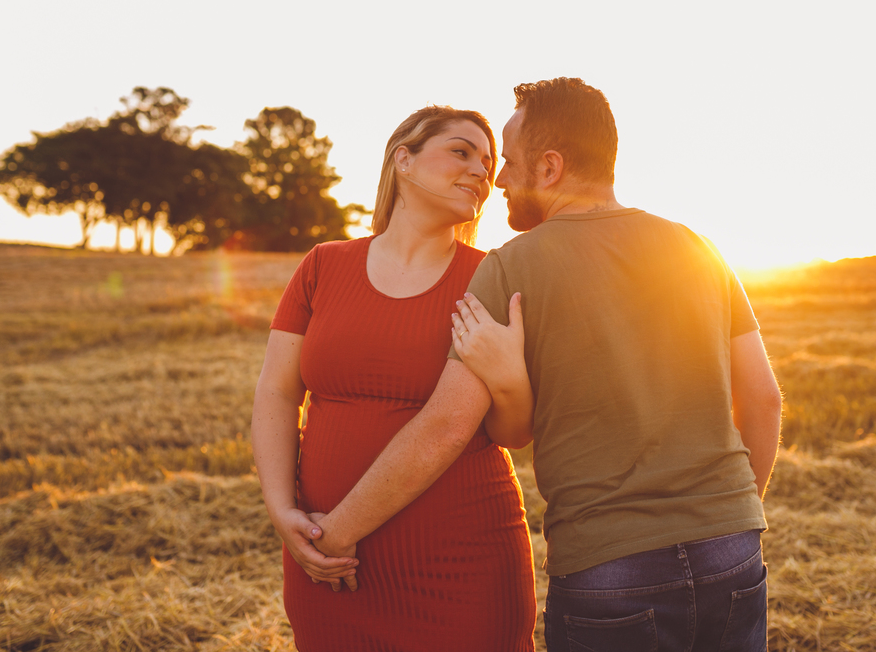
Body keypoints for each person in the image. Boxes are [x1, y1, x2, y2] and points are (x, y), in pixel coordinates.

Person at [310, 78, 784, 652]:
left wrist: (333, 532)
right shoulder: (697, 247)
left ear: (551, 167)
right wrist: (731, 517)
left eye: (508, 162)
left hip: (609, 567)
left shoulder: (510, 269)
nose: (498, 179)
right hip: (732, 550)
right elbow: (762, 400)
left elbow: (447, 425)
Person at [250, 106, 536, 652]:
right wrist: (283, 513)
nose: (482, 169)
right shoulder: (322, 265)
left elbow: (467, 427)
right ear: (402, 159)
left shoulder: (489, 276)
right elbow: (278, 392)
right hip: (324, 561)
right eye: (461, 151)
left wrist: (338, 532)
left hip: (457, 562)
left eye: (488, 159)